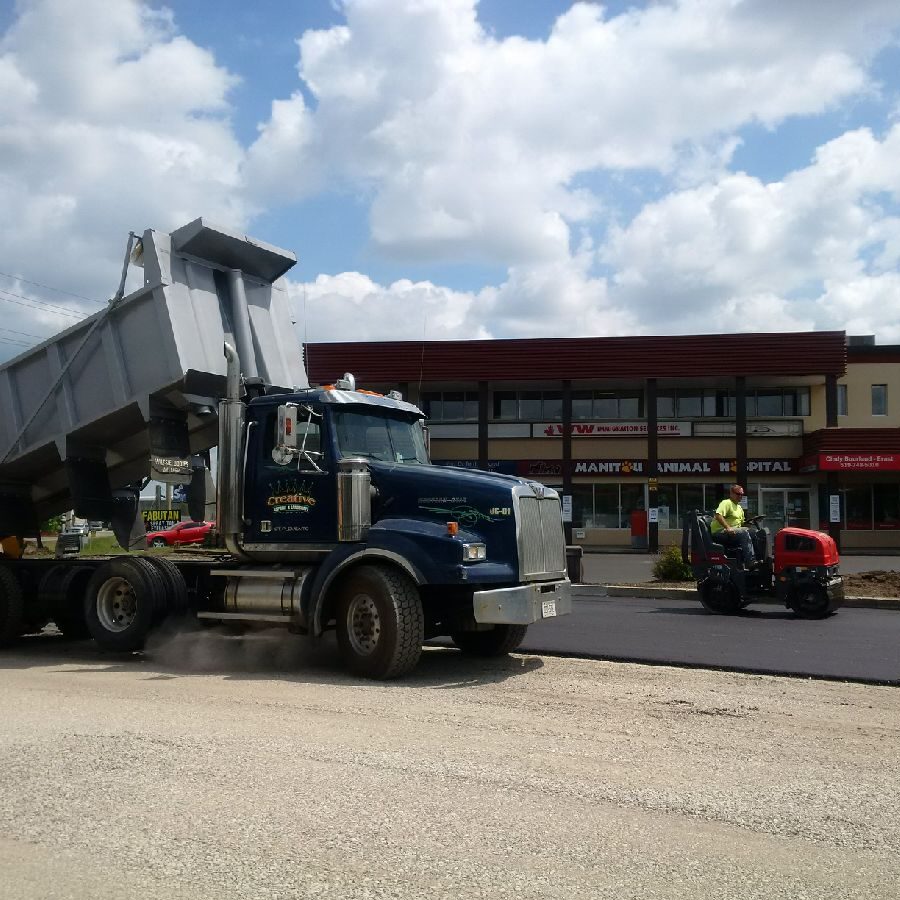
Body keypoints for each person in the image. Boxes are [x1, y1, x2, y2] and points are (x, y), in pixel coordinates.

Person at [710, 484, 757, 569]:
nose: (740, 496)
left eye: (742, 494)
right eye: (738, 494)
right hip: (720, 532)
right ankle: (750, 562)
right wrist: (728, 528)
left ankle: (758, 560)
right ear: (731, 493)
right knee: (744, 533)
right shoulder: (726, 503)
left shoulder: (739, 507)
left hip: (733, 532)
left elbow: (742, 524)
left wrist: (751, 523)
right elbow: (718, 515)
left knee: (755, 533)